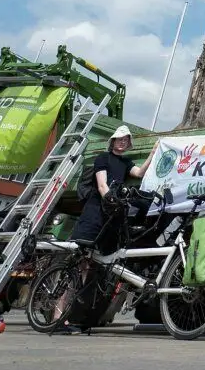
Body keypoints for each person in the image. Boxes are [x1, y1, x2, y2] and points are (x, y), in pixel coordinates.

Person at [53, 125, 147, 334]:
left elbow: (139, 172)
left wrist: (157, 150)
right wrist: (110, 199)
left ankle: (76, 318)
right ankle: (58, 317)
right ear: (113, 141)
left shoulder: (125, 162)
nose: (122, 142)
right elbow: (102, 185)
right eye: (119, 139)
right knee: (78, 266)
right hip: (96, 213)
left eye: (126, 140)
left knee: (94, 269)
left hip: (110, 217)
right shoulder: (102, 158)